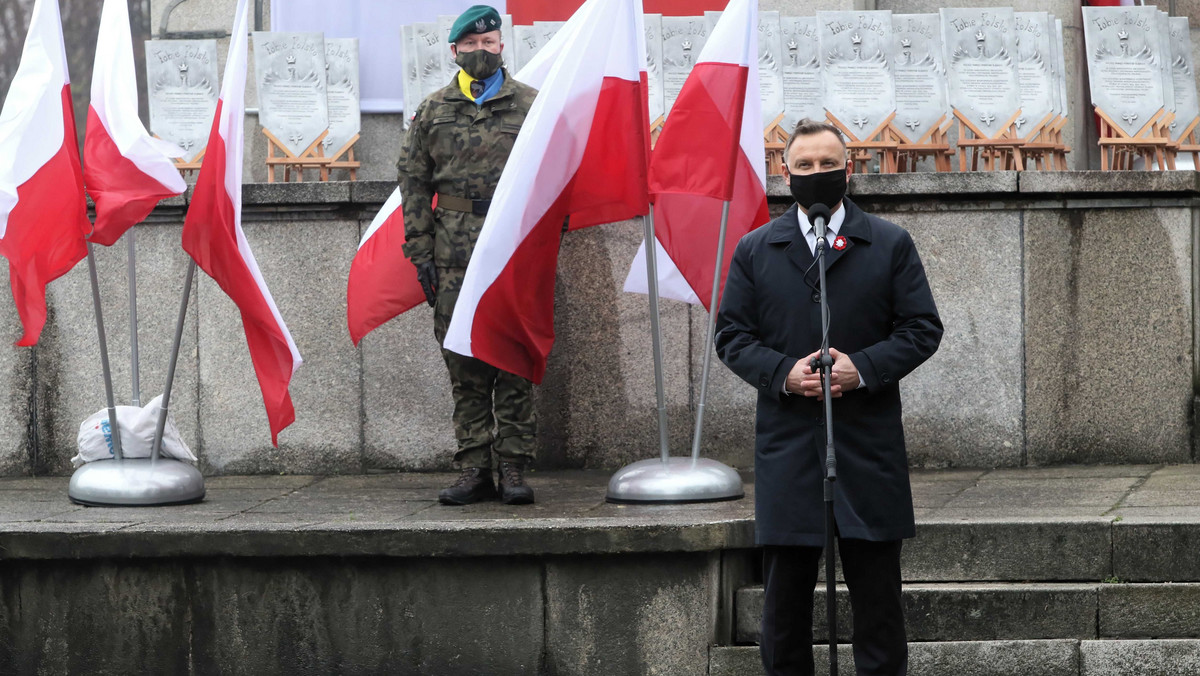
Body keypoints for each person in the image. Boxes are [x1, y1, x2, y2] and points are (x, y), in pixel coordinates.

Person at [714, 119, 943, 676]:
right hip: (789, 447)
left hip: (867, 445)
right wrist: (784, 373)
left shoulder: (887, 242)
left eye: (828, 164)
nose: (818, 174)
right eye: (806, 166)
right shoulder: (756, 248)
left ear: (849, 170)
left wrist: (860, 369)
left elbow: (920, 328)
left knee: (879, 604)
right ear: (785, 173)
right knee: (784, 609)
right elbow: (731, 336)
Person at [397, 5, 540, 506]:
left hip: (512, 254)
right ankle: (474, 468)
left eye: (490, 43)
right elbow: (413, 183)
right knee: (464, 361)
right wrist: (420, 252)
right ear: (455, 50)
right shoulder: (433, 110)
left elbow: (554, 181)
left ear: (502, 46)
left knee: (514, 359)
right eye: (471, 45)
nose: (481, 51)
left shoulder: (530, 106)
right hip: (453, 251)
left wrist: (545, 245)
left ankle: (514, 468)